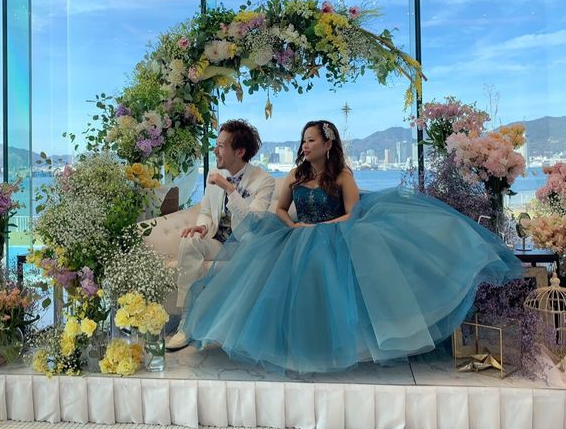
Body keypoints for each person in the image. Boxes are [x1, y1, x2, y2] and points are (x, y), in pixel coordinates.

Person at [180, 120, 524, 373]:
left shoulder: (343, 176)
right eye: (303, 140)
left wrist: (322, 228)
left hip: (336, 234)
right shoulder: (295, 175)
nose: (305, 146)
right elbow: (281, 209)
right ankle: (297, 348)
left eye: (311, 140)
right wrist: (294, 226)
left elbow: (352, 213)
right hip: (297, 236)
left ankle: (348, 348)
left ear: (327, 144)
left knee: (335, 280)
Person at [166, 119, 275, 350]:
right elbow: (206, 211)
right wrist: (202, 227)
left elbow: (253, 222)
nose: (215, 150)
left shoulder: (264, 180)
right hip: (218, 241)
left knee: (248, 240)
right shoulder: (215, 173)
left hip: (244, 246)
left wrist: (229, 188)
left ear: (240, 151)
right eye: (216, 145)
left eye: (221, 146)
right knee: (190, 241)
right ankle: (186, 321)